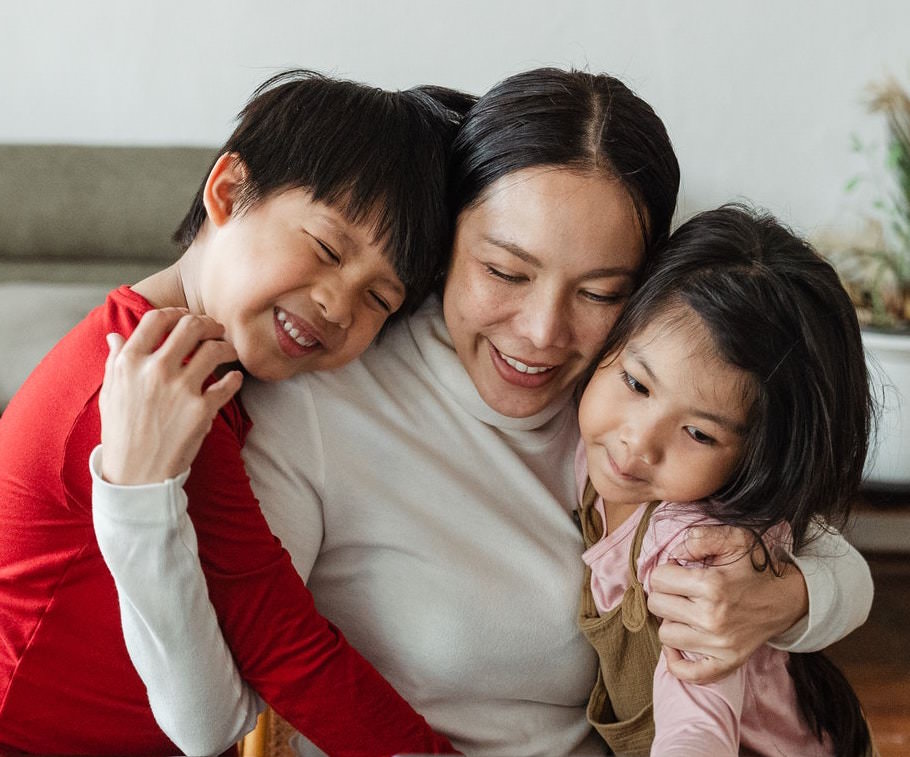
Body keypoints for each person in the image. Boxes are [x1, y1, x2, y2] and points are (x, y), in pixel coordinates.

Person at [92, 68, 873, 756]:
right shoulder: (321, 402)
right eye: (505, 271)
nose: (541, 333)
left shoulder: (627, 405)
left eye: (600, 292)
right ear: (444, 242)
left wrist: (785, 597)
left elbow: (827, 551)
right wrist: (134, 497)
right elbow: (210, 718)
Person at [0, 70, 465, 755]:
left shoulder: (213, 363)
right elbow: (280, 643)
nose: (338, 303)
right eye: (327, 249)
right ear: (227, 191)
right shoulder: (153, 381)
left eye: (379, 300)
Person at [575, 204, 874, 756]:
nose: (637, 443)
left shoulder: (695, 546)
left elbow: (698, 725)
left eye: (699, 434)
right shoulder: (589, 457)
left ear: (755, 457)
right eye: (637, 385)